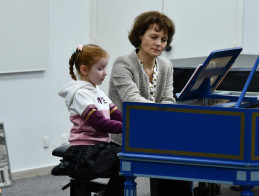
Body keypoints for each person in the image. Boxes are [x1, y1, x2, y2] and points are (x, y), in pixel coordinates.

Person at [109, 11, 192, 196]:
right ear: (140, 35)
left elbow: (169, 100)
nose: (159, 44)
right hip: (125, 136)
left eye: (163, 39)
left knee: (179, 158)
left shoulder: (165, 65)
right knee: (170, 153)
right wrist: (163, 119)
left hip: (154, 134)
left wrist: (163, 122)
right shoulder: (123, 63)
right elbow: (133, 101)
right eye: (153, 37)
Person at [58, 44, 124, 196]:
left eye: (105, 68)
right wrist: (127, 127)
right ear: (84, 70)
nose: (105, 73)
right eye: (100, 68)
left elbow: (116, 114)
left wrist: (135, 121)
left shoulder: (98, 92)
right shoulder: (81, 94)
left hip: (100, 145)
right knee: (124, 163)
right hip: (85, 148)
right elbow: (99, 123)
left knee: (128, 161)